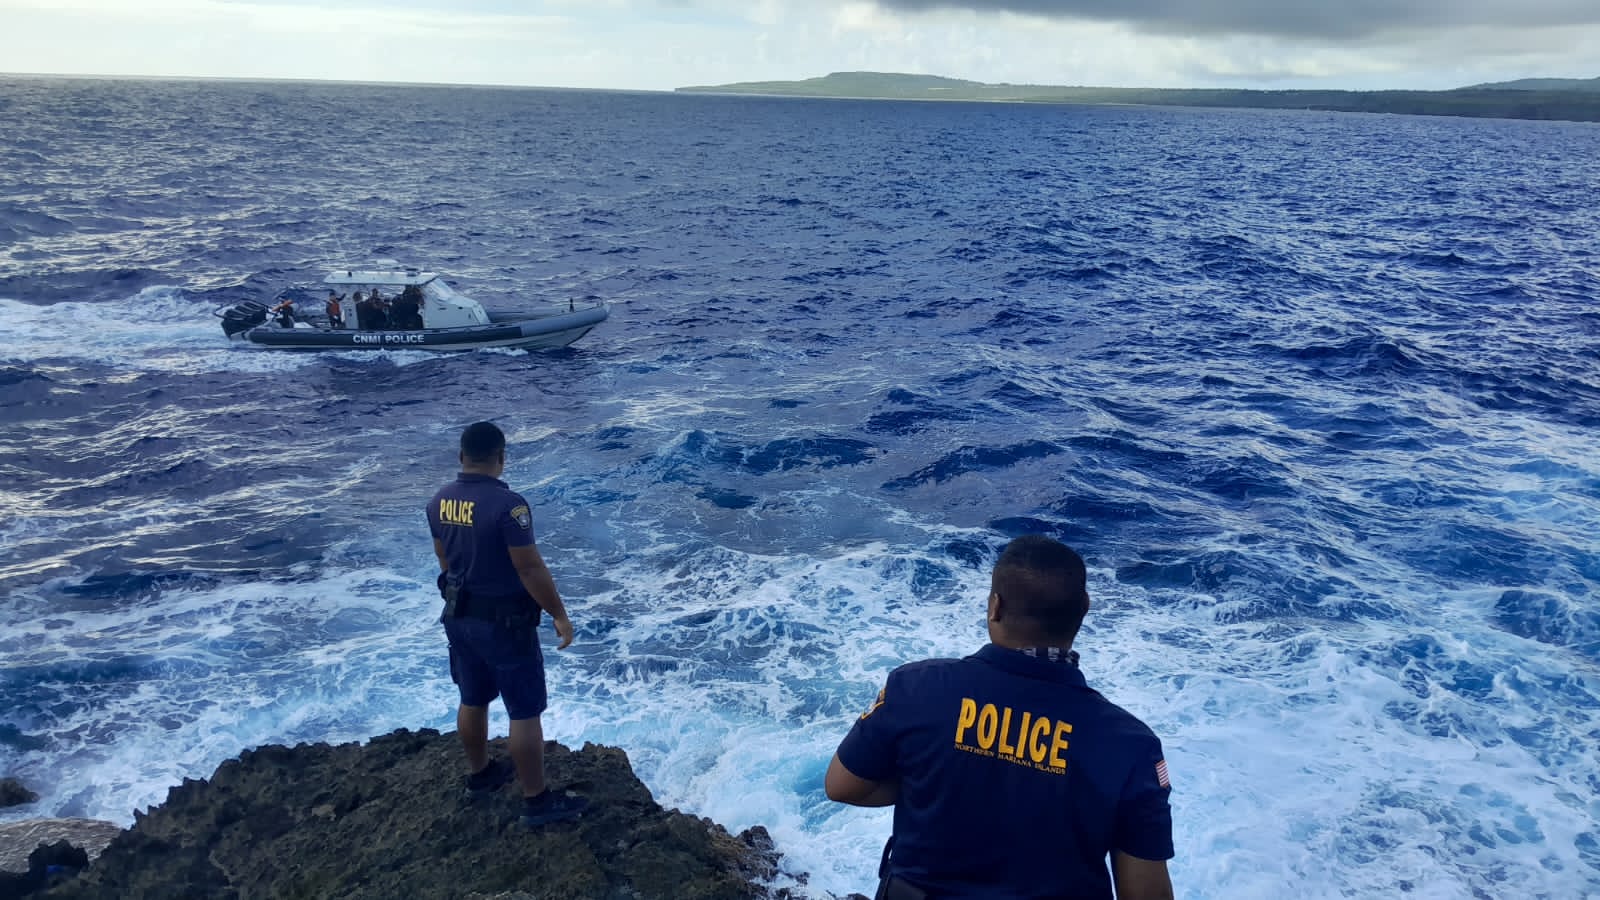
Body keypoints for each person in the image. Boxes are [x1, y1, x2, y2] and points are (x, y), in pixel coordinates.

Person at [825, 535, 1175, 900]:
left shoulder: (915, 687)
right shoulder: (1130, 745)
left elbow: (842, 785)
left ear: (995, 606)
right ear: (1083, 609)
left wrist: (927, 784)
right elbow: (1145, 893)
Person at [426, 421, 588, 828]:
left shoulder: (439, 501)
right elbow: (530, 567)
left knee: (472, 697)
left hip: (458, 616)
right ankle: (536, 801)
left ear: (461, 457)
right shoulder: (509, 506)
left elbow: (444, 559)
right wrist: (558, 614)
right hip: (503, 624)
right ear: (501, 458)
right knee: (524, 711)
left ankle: (479, 775)